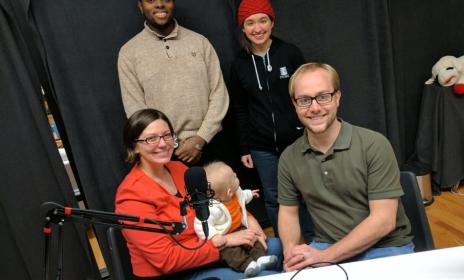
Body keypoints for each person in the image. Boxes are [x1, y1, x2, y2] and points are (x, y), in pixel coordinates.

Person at [277, 63, 414, 272]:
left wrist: (324, 257)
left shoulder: (374, 144)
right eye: (304, 100)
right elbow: (288, 214)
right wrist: (291, 252)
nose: (314, 107)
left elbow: (383, 221)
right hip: (326, 244)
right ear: (294, 105)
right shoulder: (289, 158)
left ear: (337, 97)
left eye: (323, 96)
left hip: (384, 247)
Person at [115, 109, 282, 279]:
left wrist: (250, 222)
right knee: (264, 275)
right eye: (151, 138)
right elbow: (166, 260)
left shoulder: (179, 169)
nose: (163, 144)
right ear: (134, 146)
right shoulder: (131, 195)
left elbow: (220, 199)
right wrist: (225, 241)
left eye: (167, 135)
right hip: (178, 271)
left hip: (211, 253)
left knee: (275, 246)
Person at [230, 0, 313, 241]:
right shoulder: (239, 64)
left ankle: (312, 241)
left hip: (296, 140)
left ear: (272, 23)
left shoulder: (290, 53)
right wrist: (244, 147)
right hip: (261, 146)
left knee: (304, 193)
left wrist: (307, 130)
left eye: (263, 20)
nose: (257, 28)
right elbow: (239, 108)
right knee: (274, 197)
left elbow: (307, 93)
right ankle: (285, 245)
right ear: (243, 28)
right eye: (250, 23)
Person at [118, 0, 229, 165]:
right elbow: (136, 110)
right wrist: (173, 143)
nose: (160, 4)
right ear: (140, 6)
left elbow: (219, 94)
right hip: (165, 152)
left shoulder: (200, 42)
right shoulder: (129, 53)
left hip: (212, 143)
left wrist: (200, 139)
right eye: (151, 0)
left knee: (225, 191)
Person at [193, 161, 278, 278]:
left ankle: (260, 258)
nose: (236, 175)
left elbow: (242, 195)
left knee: (253, 240)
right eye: (234, 176)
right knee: (231, 253)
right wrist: (213, 237)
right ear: (228, 192)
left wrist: (250, 194)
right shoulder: (212, 209)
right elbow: (201, 224)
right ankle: (247, 265)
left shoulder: (235, 193)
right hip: (223, 235)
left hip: (238, 227)